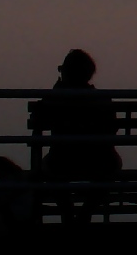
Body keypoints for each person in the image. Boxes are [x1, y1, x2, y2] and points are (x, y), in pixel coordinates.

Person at [34, 49, 121, 225]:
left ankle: (66, 213)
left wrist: (56, 90)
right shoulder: (101, 99)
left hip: (62, 161)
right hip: (99, 161)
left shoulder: (55, 99)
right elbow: (112, 129)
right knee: (112, 166)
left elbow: (39, 120)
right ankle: (85, 213)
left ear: (66, 72)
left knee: (48, 168)